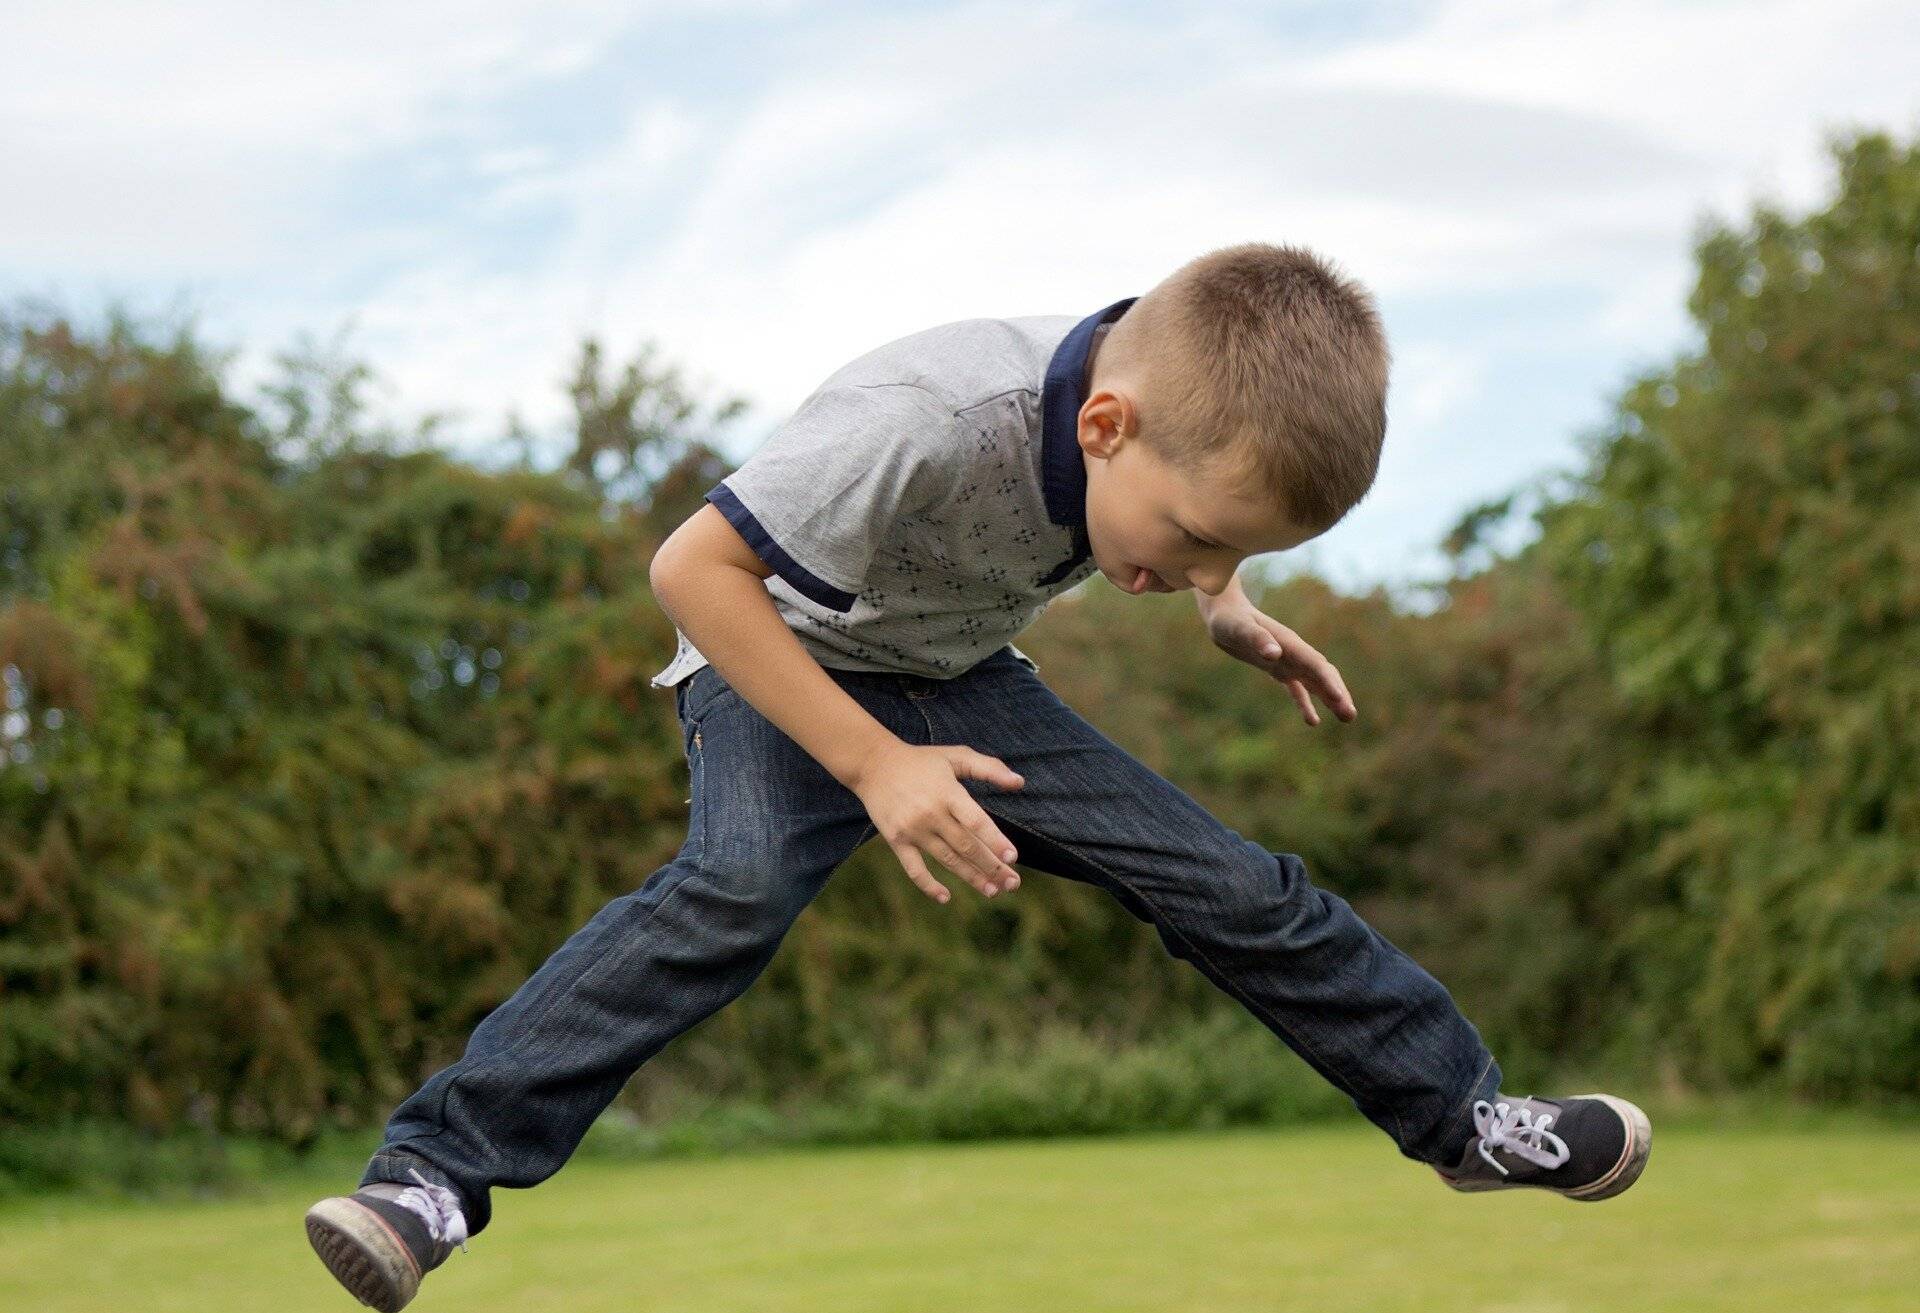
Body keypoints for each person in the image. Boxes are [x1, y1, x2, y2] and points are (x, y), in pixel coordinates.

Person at [305, 242, 1651, 1310]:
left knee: (1233, 885)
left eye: (1221, 552)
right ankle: (431, 1178)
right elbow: (691, 572)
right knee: (734, 882)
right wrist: (874, 763)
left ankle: (1468, 1120)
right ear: (1106, 425)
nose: (1178, 567)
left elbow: (1197, 494)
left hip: (960, 673)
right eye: (1185, 544)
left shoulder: (1173, 412)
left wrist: (1220, 602)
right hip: (775, 663)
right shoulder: (927, 420)